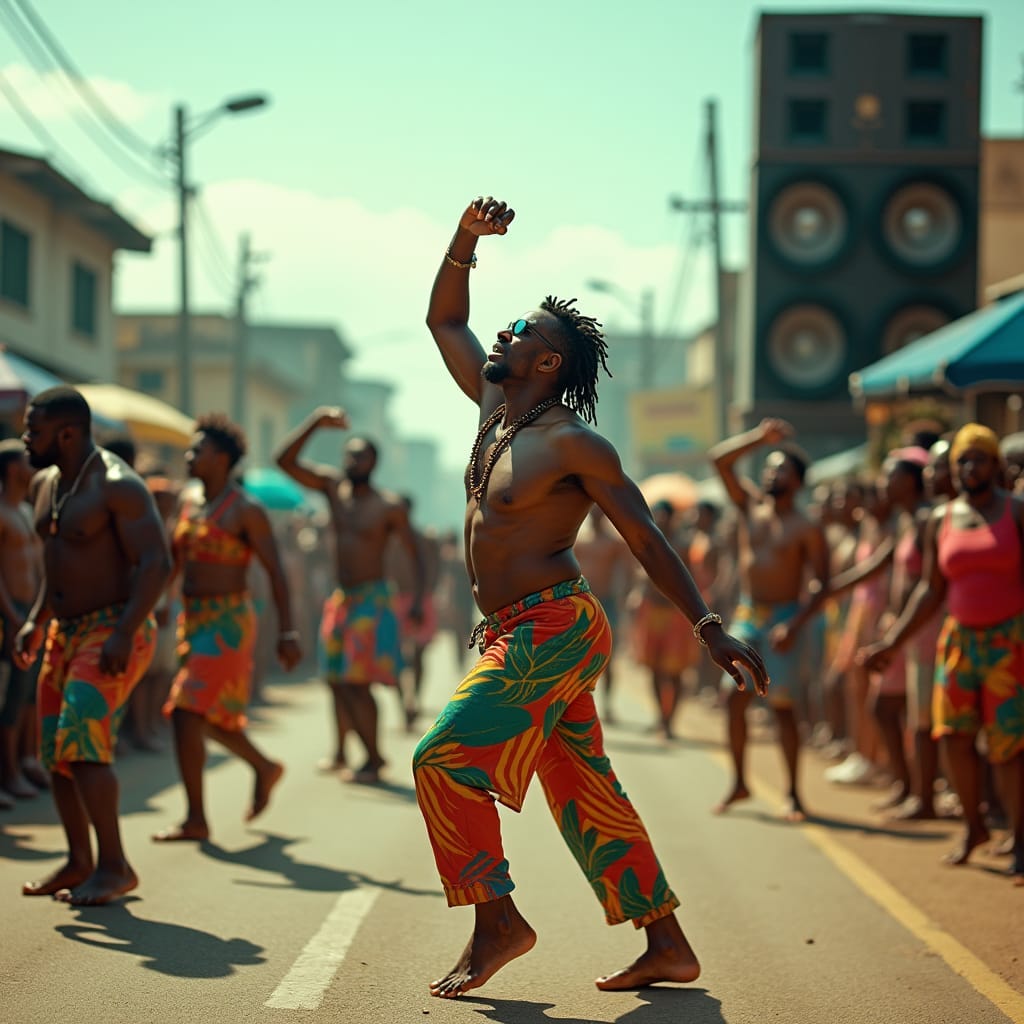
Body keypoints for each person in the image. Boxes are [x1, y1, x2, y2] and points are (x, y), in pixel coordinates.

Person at [415, 195, 768, 998]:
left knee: (441, 757)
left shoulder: (573, 440)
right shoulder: (492, 407)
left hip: (555, 628)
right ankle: (667, 942)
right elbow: (443, 322)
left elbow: (645, 536)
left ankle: (496, 919)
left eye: (524, 330)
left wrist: (709, 627)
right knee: (586, 790)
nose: (503, 332)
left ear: (548, 363)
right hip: (511, 627)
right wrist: (464, 240)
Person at [16, 387, 171, 905]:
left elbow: (156, 563)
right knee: (55, 752)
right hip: (63, 631)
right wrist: (37, 620)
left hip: (113, 627)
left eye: (32, 431)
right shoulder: (45, 482)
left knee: (82, 746)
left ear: (67, 433)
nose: (24, 438)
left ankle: (115, 865)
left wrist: (126, 631)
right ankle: (79, 860)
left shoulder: (117, 485)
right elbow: (57, 562)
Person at [860, 424, 1024, 883]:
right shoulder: (941, 520)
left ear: (996, 465)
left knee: (1008, 746)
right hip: (958, 642)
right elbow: (931, 589)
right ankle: (973, 829)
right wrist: (890, 642)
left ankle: (1019, 838)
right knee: (951, 735)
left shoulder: (1016, 513)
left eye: (980, 459)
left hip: (1009, 643)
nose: (971, 468)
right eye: (963, 462)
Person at [153, 415, 301, 842]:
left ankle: (195, 818)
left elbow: (276, 573)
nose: (188, 456)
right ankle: (263, 766)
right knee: (209, 717)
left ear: (221, 458)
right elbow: (174, 561)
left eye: (196, 450)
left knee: (185, 712)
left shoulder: (246, 510)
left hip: (228, 625)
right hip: (191, 620)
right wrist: (160, 602)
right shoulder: (189, 501)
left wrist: (287, 632)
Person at [275, 411, 424, 783]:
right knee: (336, 680)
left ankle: (373, 758)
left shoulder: (388, 506)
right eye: (348, 455)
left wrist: (419, 600)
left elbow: (416, 553)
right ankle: (355, 753)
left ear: (374, 462)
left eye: (360, 456)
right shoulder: (332, 488)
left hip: (373, 601)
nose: (352, 461)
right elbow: (284, 461)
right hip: (341, 599)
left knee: (357, 683)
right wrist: (314, 423)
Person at [708, 418, 829, 822]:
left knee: (783, 708)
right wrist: (759, 438)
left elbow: (822, 584)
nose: (772, 473)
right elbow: (719, 462)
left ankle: (794, 792)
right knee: (732, 698)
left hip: (785, 617)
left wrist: (794, 625)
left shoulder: (807, 526)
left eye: (781, 469)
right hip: (748, 613)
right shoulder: (749, 507)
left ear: (797, 481)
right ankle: (739, 781)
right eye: (769, 467)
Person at [627, 500, 698, 738]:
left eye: (664, 516)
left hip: (676, 613)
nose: (661, 520)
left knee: (675, 670)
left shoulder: (683, 545)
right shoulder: (646, 540)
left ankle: (670, 720)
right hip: (651, 610)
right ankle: (661, 716)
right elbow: (641, 573)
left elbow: (689, 579)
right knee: (654, 668)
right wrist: (636, 594)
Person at [0, 440, 44, 802]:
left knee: (30, 693)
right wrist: (12, 615)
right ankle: (8, 771)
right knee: (11, 696)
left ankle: (26, 759)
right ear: (14, 470)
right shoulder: (1, 513)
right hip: (12, 612)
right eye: (28, 462)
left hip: (30, 612)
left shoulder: (27, 511)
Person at [385, 495, 441, 732]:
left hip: (419, 600)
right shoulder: (387, 540)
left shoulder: (422, 540)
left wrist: (422, 598)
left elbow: (432, 568)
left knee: (418, 655)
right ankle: (403, 707)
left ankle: (414, 699)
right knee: (395, 658)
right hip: (393, 601)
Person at [574, 505, 633, 722]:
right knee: (579, 655)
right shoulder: (580, 538)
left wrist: (626, 595)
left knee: (607, 656)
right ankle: (577, 703)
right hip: (582, 602)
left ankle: (607, 704)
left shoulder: (614, 542)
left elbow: (628, 570)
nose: (596, 515)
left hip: (607, 602)